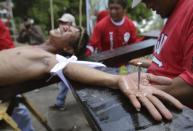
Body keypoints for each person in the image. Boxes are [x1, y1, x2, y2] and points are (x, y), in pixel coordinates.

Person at [0, 24, 183, 121]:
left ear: (68, 49)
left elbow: (70, 67)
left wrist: (117, 80)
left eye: (73, 31)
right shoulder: (34, 48)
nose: (67, 26)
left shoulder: (47, 58)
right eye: (70, 26)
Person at [130, 0, 193, 107]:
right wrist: (153, 63)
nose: (148, 6)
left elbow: (190, 83)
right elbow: (175, 63)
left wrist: (140, 92)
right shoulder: (173, 11)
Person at [0, 19, 35, 131]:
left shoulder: (35, 30)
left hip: (14, 62)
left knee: (21, 114)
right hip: (11, 64)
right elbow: (16, 42)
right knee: (21, 114)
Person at [50, 13, 78, 111]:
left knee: (66, 84)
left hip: (73, 61)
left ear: (72, 24)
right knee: (63, 83)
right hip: (60, 60)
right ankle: (59, 103)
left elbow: (73, 50)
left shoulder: (76, 34)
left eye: (65, 22)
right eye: (61, 22)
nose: (62, 24)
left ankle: (59, 103)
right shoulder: (57, 33)